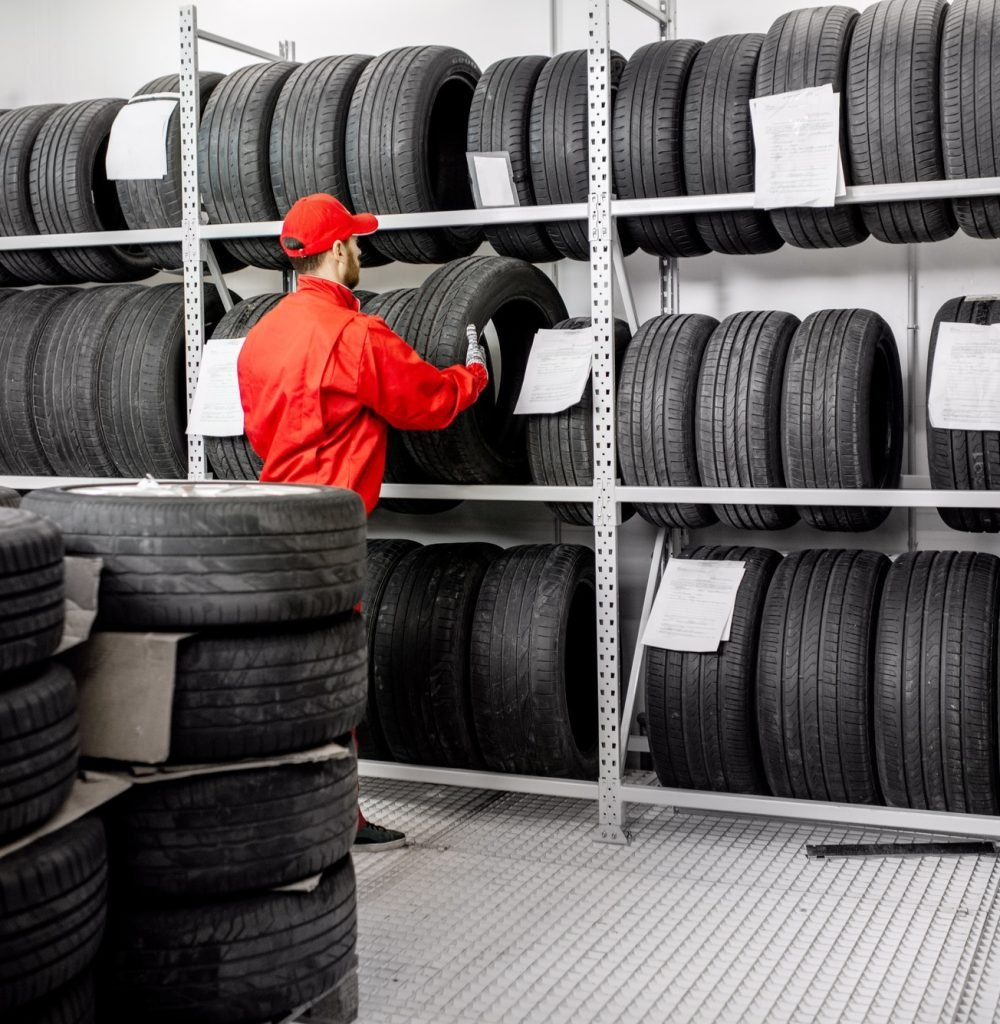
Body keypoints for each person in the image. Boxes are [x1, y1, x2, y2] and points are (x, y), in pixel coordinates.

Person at [237, 192, 489, 850]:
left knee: (285, 673)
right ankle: (335, 822)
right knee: (331, 678)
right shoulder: (354, 335)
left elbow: (261, 430)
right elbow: (426, 403)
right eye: (356, 242)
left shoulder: (258, 337)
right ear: (338, 251)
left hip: (269, 519)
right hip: (327, 529)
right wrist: (473, 376)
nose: (362, 251)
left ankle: (281, 815)